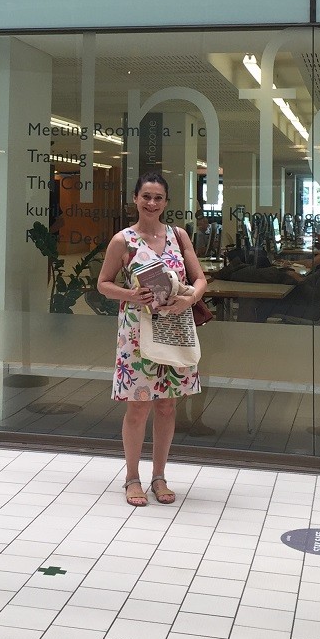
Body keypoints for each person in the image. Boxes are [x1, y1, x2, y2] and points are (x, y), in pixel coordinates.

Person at [97, 172, 207, 507]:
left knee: (168, 405)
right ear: (135, 199)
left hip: (173, 329)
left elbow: (200, 279)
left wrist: (189, 299)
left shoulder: (178, 235)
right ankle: (132, 478)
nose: (151, 203)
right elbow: (104, 284)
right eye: (146, 196)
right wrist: (131, 294)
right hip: (137, 332)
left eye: (158, 198)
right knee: (138, 406)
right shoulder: (123, 241)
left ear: (166, 202)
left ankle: (159, 476)